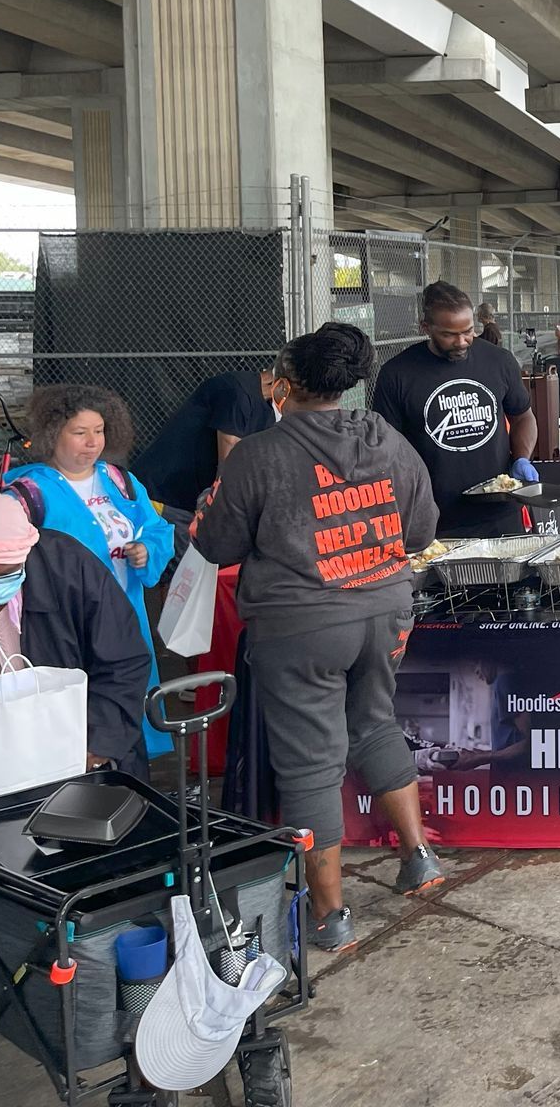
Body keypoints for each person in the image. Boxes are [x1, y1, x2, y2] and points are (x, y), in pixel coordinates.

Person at [195, 322, 445, 953]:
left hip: (300, 624)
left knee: (310, 760)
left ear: (287, 383)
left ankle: (331, 915)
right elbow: (420, 531)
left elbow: (216, 543)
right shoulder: (387, 440)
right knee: (376, 723)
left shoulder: (258, 453)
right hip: (385, 609)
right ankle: (418, 858)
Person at [7, 384, 175, 763]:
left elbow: (157, 528)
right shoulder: (26, 491)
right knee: (80, 708)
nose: (92, 442)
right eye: (79, 432)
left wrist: (147, 549)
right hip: (66, 625)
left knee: (126, 692)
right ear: (53, 435)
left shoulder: (120, 481)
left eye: (98, 431)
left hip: (127, 614)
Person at [0, 494, 152, 777]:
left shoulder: (69, 566)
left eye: (6, 575)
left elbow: (123, 662)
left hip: (82, 755)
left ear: (26, 553)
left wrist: (96, 744)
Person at [371, 280, 539, 537]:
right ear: (425, 327)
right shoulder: (397, 374)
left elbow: (522, 416)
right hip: (435, 518)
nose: (461, 342)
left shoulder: (499, 361)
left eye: (469, 331)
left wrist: (522, 457)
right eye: (449, 334)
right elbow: (388, 448)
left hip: (499, 511)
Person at [129, 364, 279, 523]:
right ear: (286, 385)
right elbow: (229, 461)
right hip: (160, 497)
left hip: (186, 503)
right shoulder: (237, 391)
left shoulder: (268, 412)